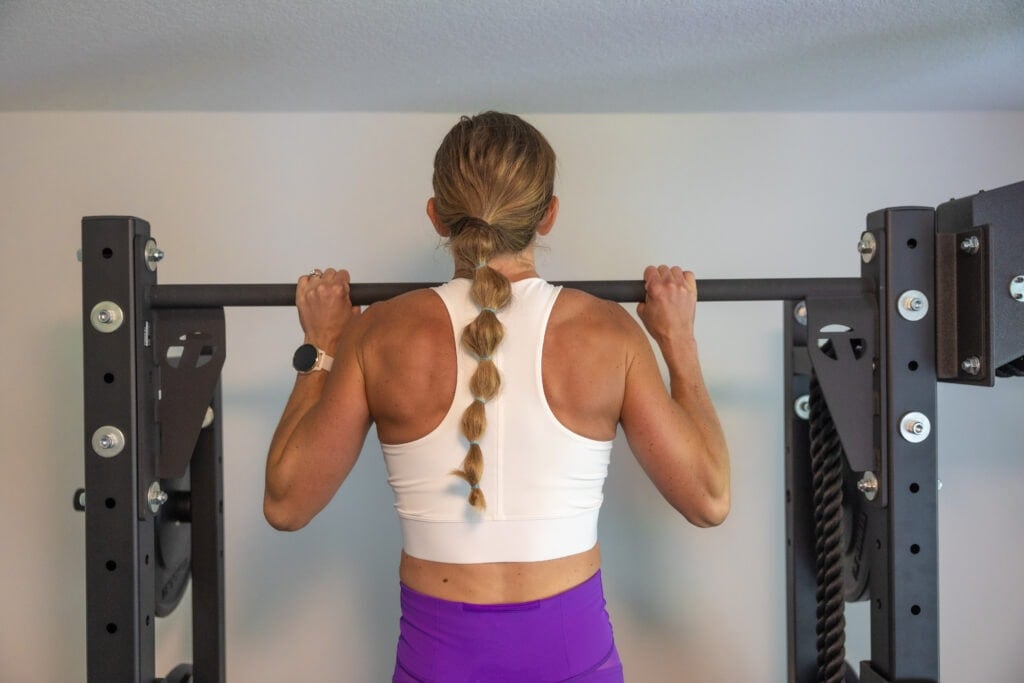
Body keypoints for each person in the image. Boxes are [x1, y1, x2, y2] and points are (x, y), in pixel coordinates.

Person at [264, 111, 730, 682]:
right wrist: (677, 340)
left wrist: (322, 344)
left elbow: (286, 504)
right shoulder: (608, 333)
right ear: (549, 215)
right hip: (571, 655)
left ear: (436, 215)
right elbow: (709, 499)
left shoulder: (378, 334)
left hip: (440, 659)